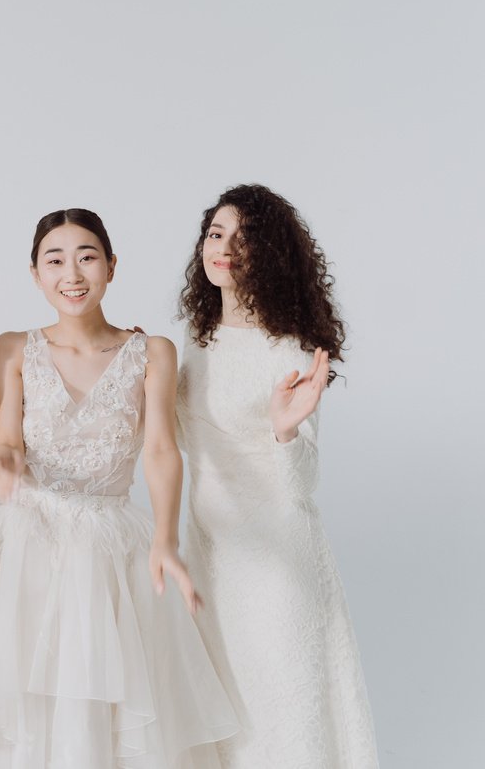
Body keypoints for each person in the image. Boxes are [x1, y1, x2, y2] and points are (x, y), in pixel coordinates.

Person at [0, 209, 238, 768]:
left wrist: (165, 541)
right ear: (35, 274)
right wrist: (2, 461)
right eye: (55, 260)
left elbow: (162, 450)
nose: (72, 273)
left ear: (112, 267)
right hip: (27, 546)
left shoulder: (153, 353)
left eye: (87, 257)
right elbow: (7, 441)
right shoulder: (14, 348)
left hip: (111, 549)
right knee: (24, 708)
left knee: (109, 707)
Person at [176, 184, 378, 768]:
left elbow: (299, 487)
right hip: (209, 554)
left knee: (280, 715)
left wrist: (285, 432)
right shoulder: (196, 337)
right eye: (216, 234)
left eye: (245, 239)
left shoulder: (290, 349)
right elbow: (180, 440)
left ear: (272, 254)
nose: (225, 249)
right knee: (221, 715)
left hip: (274, 565)